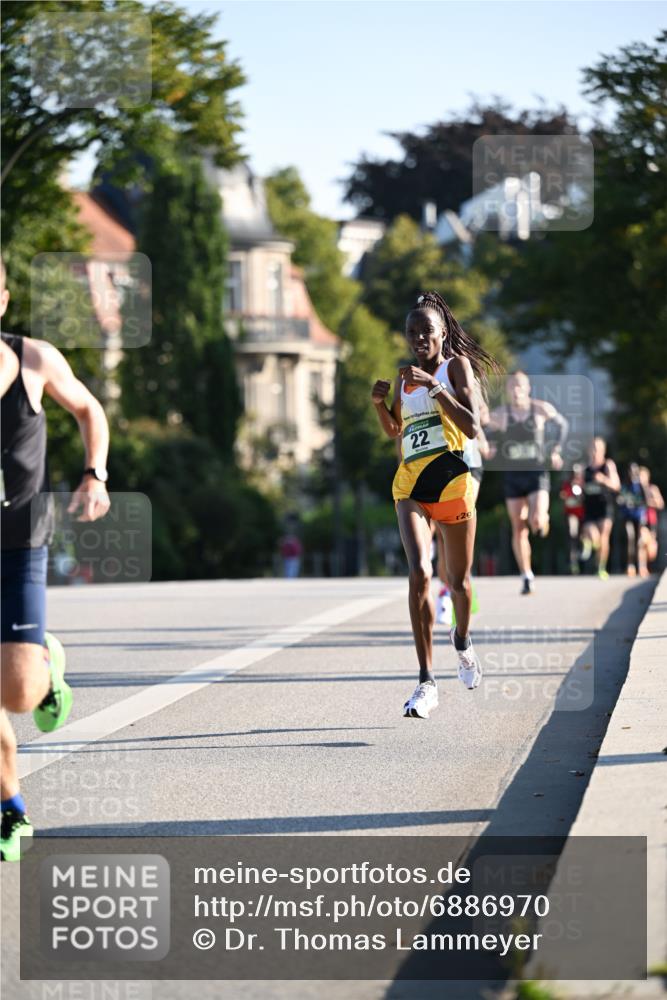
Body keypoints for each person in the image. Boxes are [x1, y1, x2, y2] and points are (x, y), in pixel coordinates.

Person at [1, 260, 111, 861]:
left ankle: (45, 658)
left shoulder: (34, 359)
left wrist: (94, 473)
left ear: (2, 298)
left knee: (20, 695)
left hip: (20, 542)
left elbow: (89, 410)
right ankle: (11, 808)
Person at [371, 290, 500, 719]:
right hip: (410, 484)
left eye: (426, 331)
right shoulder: (404, 377)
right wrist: (379, 405)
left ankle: (461, 641)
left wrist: (436, 387)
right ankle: (426, 681)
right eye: (412, 332)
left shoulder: (455, 367)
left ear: (442, 332)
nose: (418, 339)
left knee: (459, 583)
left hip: (452, 484)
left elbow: (472, 425)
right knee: (419, 573)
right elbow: (395, 430)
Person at [485, 371, 569, 594]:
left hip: (536, 473)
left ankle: (542, 520)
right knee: (519, 527)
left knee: (536, 519)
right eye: (512, 386)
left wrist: (556, 450)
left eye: (520, 385)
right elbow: (483, 428)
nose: (516, 390)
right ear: (507, 390)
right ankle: (526, 575)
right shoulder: (501, 414)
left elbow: (562, 425)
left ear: (528, 388)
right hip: (513, 475)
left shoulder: (540, 409)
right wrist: (490, 445)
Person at [434, 415, 489, 626]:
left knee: (461, 524)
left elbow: (479, 415)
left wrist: (481, 437)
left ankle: (462, 582)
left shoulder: (470, 392)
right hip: (438, 462)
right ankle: (448, 589)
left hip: (469, 461)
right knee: (442, 535)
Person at [580, 437, 620, 580]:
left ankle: (601, 568)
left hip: (605, 506)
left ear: (603, 450)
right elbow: (580, 488)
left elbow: (616, 485)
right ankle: (589, 543)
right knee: (593, 535)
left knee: (604, 538)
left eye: (597, 449)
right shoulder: (585, 469)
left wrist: (603, 479)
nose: (594, 451)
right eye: (592, 448)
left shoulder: (608, 465)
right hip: (590, 508)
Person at [619, 463, 648, 577]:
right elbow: (620, 500)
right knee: (630, 538)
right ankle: (630, 565)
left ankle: (641, 566)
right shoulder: (624, 486)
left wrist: (636, 503)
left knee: (639, 541)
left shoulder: (640, 485)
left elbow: (646, 500)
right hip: (628, 516)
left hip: (639, 516)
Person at [559, 463, 585, 574]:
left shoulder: (583, 484)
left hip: (583, 515)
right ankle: (572, 561)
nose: (575, 475)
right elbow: (563, 497)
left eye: (577, 473)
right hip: (571, 514)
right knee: (572, 534)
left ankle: (581, 554)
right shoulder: (567, 485)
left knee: (581, 537)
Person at [639, 466, 663, 571]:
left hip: (651, 520)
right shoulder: (636, 490)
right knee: (641, 542)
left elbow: (660, 504)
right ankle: (642, 567)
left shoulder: (652, 489)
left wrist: (648, 503)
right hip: (641, 520)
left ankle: (648, 565)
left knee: (651, 550)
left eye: (642, 476)